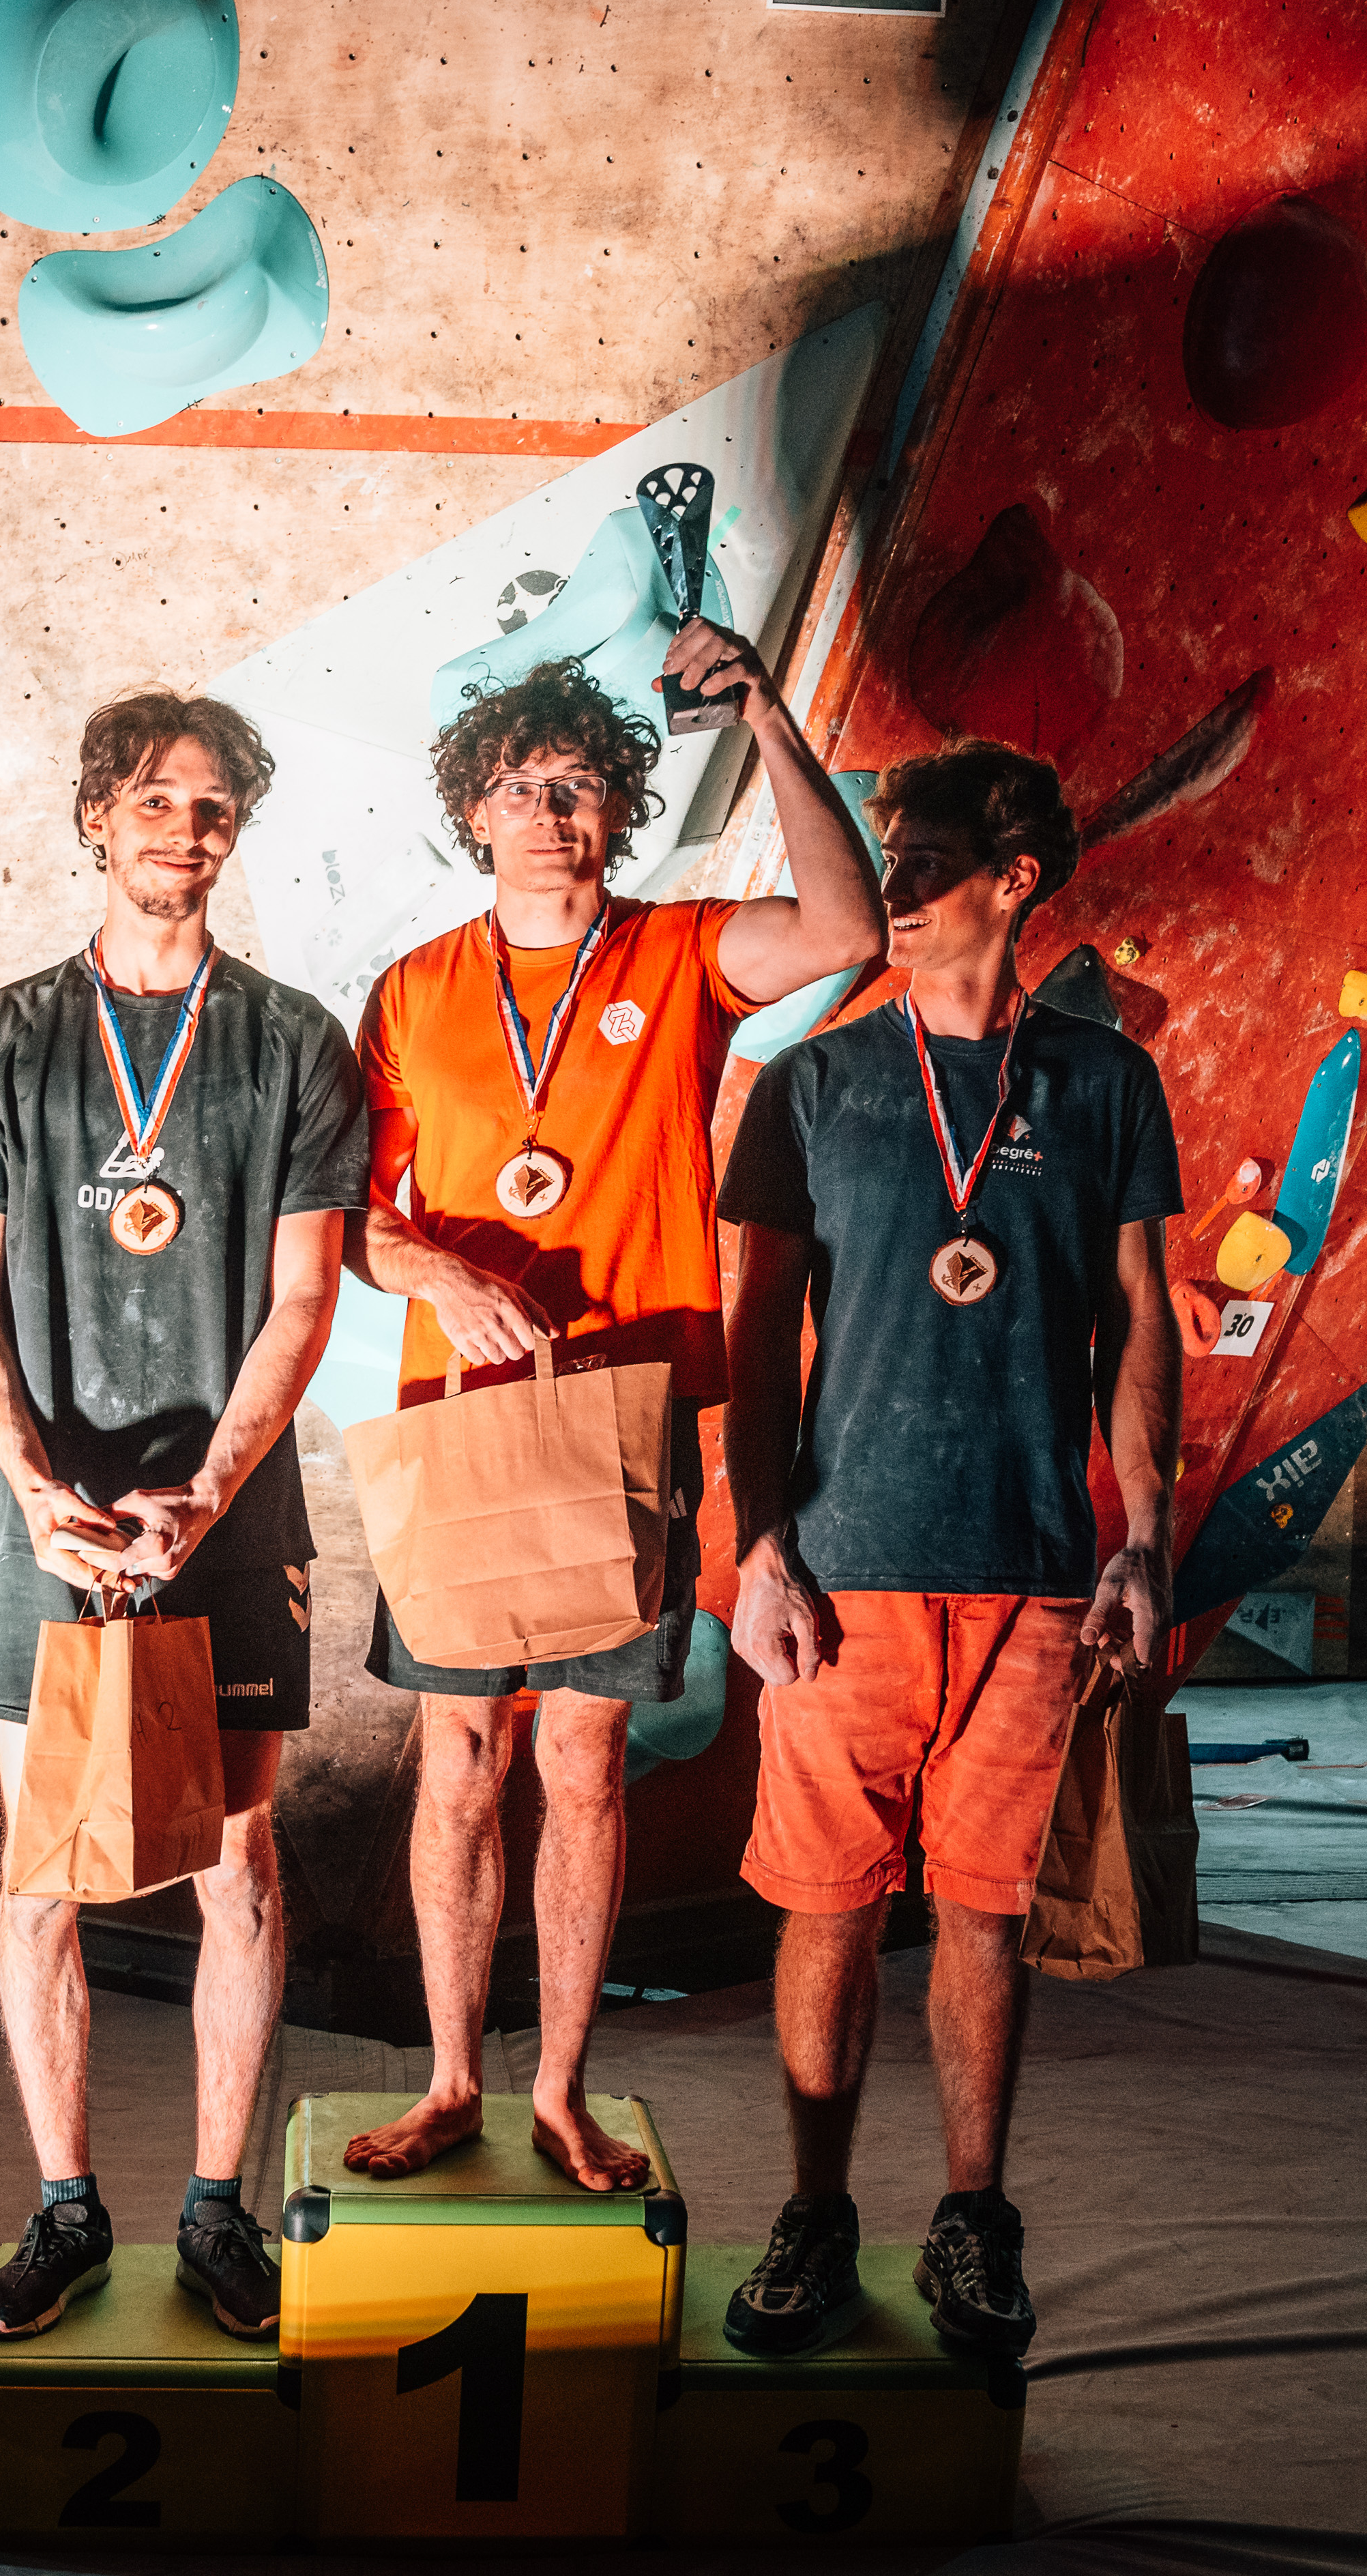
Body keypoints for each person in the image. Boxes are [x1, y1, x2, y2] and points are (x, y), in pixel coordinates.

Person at [341, 628, 887, 2191]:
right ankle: (450, 2083)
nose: (549, 813)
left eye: (578, 785)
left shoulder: (682, 953)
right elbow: (349, 1218)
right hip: (460, 1425)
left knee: (581, 1766)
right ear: (474, 809)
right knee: (459, 1760)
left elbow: (846, 926)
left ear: (618, 809)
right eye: (519, 787)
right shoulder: (412, 992)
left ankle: (560, 2092)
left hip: (626, 1424)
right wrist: (436, 1271)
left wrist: (765, 711)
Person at [0, 688, 368, 2341]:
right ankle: (65, 2212)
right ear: (96, 816)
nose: (187, 828)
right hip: (46, 1524)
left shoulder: (293, 1041)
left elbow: (303, 1298)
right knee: (41, 1874)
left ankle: (216, 2213)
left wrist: (211, 1490)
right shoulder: (3, 1038)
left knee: (235, 1868)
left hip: (226, 1521)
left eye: (214, 804)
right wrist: (39, 1492)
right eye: (156, 800)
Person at [716, 738, 1183, 2359]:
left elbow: (1137, 1322)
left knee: (983, 1916)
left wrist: (1142, 1537)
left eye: (919, 863)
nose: (892, 891)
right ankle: (813, 2214)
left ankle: (972, 2215)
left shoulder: (1102, 1083)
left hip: (1035, 1575)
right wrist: (755, 1550)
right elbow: (753, 1342)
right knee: (827, 1910)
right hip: (842, 1576)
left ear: (1012, 881)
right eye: (887, 862)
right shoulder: (813, 1085)